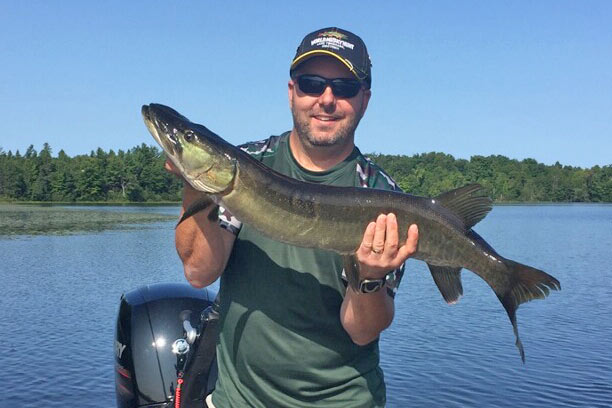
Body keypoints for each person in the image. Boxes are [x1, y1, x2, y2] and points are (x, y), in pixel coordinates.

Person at [167, 27, 419, 408]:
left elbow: (361, 331)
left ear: (364, 100)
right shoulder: (246, 166)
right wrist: (196, 184)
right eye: (311, 84)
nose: (326, 99)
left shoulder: (383, 199)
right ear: (291, 92)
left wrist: (368, 279)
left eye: (344, 88)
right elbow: (199, 272)